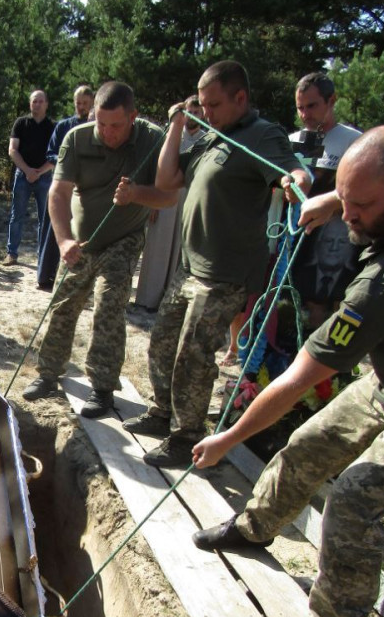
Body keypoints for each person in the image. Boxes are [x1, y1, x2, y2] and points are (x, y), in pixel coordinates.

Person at [192, 125, 384, 617]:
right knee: (308, 444)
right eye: (348, 200)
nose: (349, 216)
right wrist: (336, 197)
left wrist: (227, 439)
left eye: (363, 205)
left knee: (355, 497)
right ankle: (256, 524)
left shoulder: (383, 285)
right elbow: (359, 192)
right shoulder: (382, 205)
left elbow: (295, 381)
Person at [124, 60, 311, 467]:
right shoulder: (213, 137)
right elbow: (167, 181)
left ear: (240, 98)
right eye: (201, 103)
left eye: (212, 104)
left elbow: (292, 171)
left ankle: (186, 438)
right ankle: (162, 414)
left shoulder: (261, 134)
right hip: (190, 267)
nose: (204, 111)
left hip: (225, 275)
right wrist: (177, 124)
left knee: (194, 354)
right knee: (162, 342)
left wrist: (298, 184)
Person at [21, 81, 176, 418]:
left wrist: (136, 195)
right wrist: (63, 240)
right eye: (100, 123)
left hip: (125, 238)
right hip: (82, 240)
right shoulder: (77, 138)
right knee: (63, 304)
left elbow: (168, 196)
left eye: (116, 125)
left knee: (108, 305)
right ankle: (49, 373)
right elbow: (58, 194)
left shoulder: (152, 139)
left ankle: (103, 389)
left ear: (133, 116)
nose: (106, 132)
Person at [289, 72, 362, 328]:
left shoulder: (354, 141)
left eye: (312, 106)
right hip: (297, 235)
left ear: (331, 101)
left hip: (338, 237)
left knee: (332, 301)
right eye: (300, 107)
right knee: (297, 301)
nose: (305, 114)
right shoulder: (296, 141)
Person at [134, 95, 205, 312]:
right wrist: (153, 203)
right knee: (158, 248)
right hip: (166, 198)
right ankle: (148, 299)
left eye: (197, 112)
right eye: (189, 112)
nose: (193, 116)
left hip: (189, 200)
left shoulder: (206, 138)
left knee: (178, 251)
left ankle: (169, 300)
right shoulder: (172, 135)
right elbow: (158, 168)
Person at [36, 84, 95, 291]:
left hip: (86, 189)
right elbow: (51, 153)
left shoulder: (97, 126)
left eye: (85, 103)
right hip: (62, 186)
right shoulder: (63, 126)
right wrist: (65, 161)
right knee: (54, 229)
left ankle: (76, 278)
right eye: (78, 103)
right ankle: (45, 277)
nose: (81, 107)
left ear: (92, 103)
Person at [4, 89, 55, 266]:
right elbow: (13, 150)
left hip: (45, 177)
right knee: (16, 215)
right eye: (34, 101)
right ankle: (11, 253)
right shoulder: (21, 123)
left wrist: (39, 172)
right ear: (30, 104)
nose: (37, 104)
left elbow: (57, 156)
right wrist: (27, 171)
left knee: (45, 218)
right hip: (22, 176)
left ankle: (43, 257)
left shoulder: (53, 127)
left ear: (47, 104)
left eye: (41, 101)